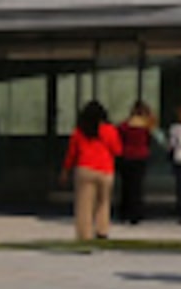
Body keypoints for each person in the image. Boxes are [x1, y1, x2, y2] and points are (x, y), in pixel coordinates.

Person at [60, 99, 121, 242]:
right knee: (103, 202)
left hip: (85, 168)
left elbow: (72, 154)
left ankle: (84, 236)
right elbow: (117, 150)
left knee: (84, 206)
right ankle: (102, 231)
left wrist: (65, 170)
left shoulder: (79, 131)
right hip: (105, 170)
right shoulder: (109, 130)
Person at [116, 101, 157, 227]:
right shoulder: (146, 127)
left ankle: (124, 212)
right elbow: (150, 140)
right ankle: (136, 213)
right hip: (140, 156)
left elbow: (119, 137)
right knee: (137, 186)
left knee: (126, 186)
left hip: (126, 155)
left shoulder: (125, 125)